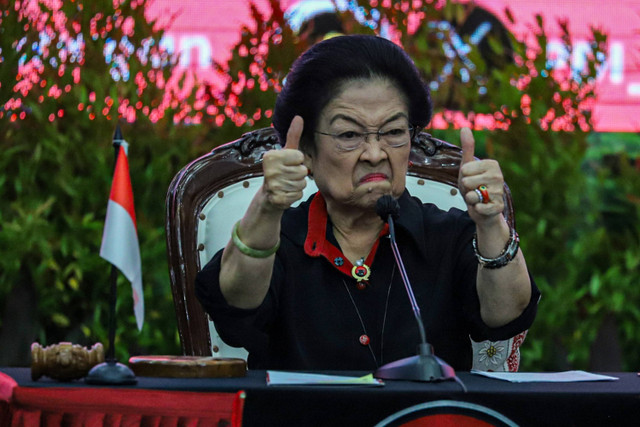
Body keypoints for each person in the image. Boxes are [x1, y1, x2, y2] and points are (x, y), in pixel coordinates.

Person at [195, 35, 540, 371]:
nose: (375, 154)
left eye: (393, 133)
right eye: (349, 135)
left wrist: (491, 220)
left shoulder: (449, 237)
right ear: (306, 154)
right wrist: (267, 207)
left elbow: (506, 315)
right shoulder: (280, 242)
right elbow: (236, 307)